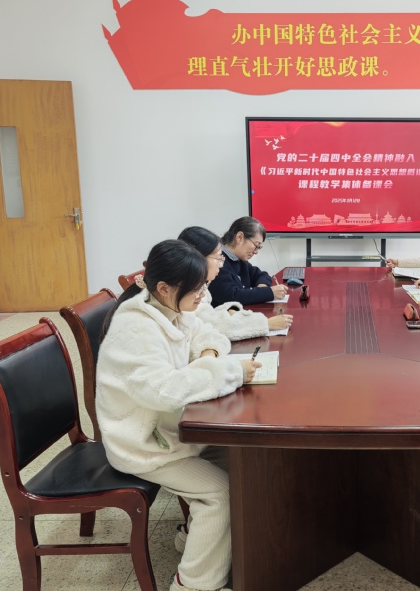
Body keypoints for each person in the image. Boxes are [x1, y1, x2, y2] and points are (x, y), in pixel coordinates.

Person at [97, 239, 260, 591]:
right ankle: (194, 584)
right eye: (197, 289)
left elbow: (208, 333)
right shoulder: (136, 328)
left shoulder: (169, 306)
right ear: (164, 288)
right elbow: (164, 391)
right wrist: (229, 371)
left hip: (168, 429)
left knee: (246, 464)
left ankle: (195, 539)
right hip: (141, 444)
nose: (203, 295)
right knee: (222, 492)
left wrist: (209, 354)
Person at [179, 226, 293, 338]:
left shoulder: (201, 288)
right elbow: (211, 326)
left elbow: (209, 317)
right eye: (218, 258)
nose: (221, 264)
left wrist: (228, 311)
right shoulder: (188, 294)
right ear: (198, 259)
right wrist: (266, 324)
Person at [208, 216, 287, 307]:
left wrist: (262, 286)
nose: (256, 251)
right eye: (256, 245)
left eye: (259, 247)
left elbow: (262, 275)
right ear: (240, 237)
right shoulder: (218, 262)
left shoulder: (239, 260)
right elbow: (231, 296)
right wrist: (268, 293)